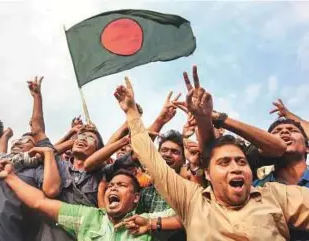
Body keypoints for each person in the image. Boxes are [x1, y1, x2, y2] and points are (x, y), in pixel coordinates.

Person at [114, 66, 309, 240]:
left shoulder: (274, 194)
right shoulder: (191, 200)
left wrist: (211, 118)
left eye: (241, 162)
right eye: (224, 163)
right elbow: (149, 157)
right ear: (207, 172)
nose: (235, 168)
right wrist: (132, 112)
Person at [0, 76, 61, 241]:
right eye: (18, 140)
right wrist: (4, 138)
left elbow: (51, 189)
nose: (19, 142)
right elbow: (0, 155)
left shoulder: (36, 170)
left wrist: (37, 97)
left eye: (26, 141)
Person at [0, 164, 174, 241]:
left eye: (121, 185)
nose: (113, 188)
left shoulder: (147, 222)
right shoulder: (88, 217)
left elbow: (192, 213)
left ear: (135, 197)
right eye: (110, 185)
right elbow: (39, 202)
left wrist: (152, 224)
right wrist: (10, 177)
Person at [254, 118, 309, 240]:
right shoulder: (256, 189)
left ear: (307, 148)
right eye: (276, 132)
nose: (284, 132)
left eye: (292, 130)